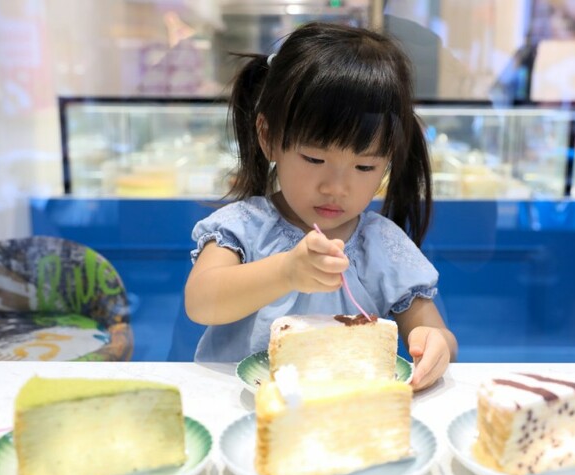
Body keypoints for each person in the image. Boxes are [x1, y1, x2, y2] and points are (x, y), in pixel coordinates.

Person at [184, 22, 457, 390]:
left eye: (365, 167)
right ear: (269, 138)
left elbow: (434, 330)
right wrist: (285, 272)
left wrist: (435, 344)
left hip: (342, 412)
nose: (336, 187)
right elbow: (201, 302)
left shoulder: (380, 244)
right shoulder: (243, 227)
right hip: (240, 409)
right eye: (314, 158)